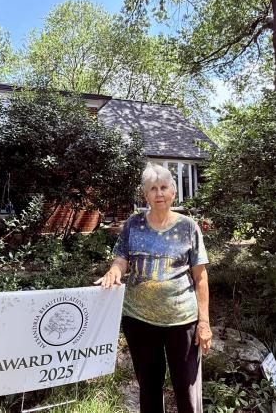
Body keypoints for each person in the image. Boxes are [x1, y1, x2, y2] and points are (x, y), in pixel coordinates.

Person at [95, 163, 212, 413]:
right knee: (148, 387)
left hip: (182, 321)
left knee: (187, 390)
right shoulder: (133, 225)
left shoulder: (188, 227)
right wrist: (115, 271)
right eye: (152, 189)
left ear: (173, 192)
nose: (159, 193)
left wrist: (204, 323)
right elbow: (121, 258)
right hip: (139, 319)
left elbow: (200, 278)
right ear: (145, 195)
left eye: (163, 187)